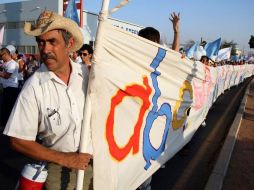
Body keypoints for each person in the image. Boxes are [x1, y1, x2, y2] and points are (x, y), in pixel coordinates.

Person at [3, 10, 92, 190]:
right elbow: (17, 140)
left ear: (70, 44)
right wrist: (65, 159)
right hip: (58, 171)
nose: (45, 49)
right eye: (41, 42)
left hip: (98, 165)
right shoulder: (33, 87)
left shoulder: (88, 75)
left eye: (52, 41)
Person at [0, 47, 19, 126]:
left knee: (9, 108)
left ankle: (9, 126)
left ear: (5, 54)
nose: (0, 58)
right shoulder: (5, 63)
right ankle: (5, 125)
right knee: (4, 108)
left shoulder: (12, 64)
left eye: (1, 56)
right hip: (5, 88)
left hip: (11, 89)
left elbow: (7, 76)